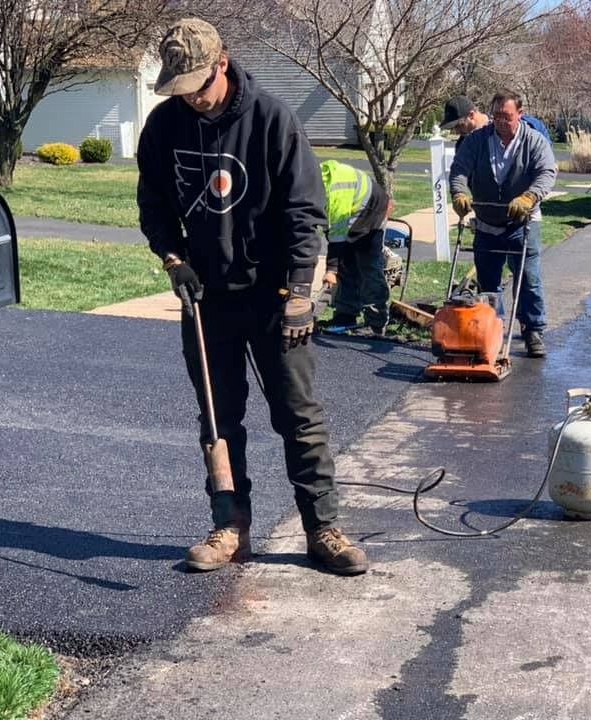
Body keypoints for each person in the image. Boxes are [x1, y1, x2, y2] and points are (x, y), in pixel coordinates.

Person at [136, 18, 368, 576]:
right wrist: (173, 259)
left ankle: (323, 528)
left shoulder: (272, 121)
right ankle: (229, 524)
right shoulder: (166, 126)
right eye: (180, 88)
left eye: (198, 85)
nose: (190, 99)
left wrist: (299, 294)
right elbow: (154, 203)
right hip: (207, 300)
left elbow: (305, 214)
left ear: (223, 63)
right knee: (218, 419)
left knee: (298, 416)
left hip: (273, 295)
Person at [448, 89, 557, 358]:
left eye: (506, 116)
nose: (501, 122)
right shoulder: (476, 141)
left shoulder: (534, 141)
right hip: (486, 222)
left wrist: (530, 196)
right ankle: (492, 331)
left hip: (523, 222)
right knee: (488, 285)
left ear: (519, 114)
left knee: (529, 279)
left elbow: (547, 172)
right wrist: (459, 193)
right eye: (496, 116)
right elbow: (460, 169)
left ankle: (533, 329)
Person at [319, 159, 393, 335]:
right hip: (352, 211)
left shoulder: (335, 193)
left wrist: (331, 269)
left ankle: (376, 322)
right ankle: (346, 315)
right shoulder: (311, 185)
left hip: (372, 210)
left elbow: (337, 233)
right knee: (346, 263)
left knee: (369, 266)